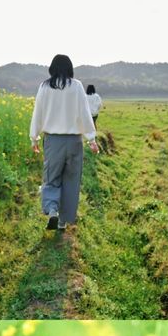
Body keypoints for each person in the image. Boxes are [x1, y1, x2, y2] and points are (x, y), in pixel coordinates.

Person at [29, 54, 99, 231]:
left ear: (52, 68)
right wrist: (91, 138)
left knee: (51, 178)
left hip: (53, 141)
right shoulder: (76, 86)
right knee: (71, 180)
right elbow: (84, 113)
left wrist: (34, 137)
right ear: (69, 68)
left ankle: (52, 210)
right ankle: (62, 222)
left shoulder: (44, 87)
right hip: (74, 141)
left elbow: (38, 113)